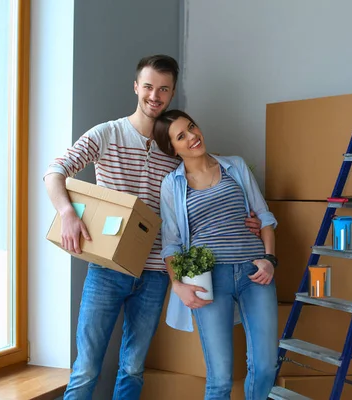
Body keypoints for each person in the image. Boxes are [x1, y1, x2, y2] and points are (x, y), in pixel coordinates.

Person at [43, 56, 261, 400]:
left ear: (172, 93)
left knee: (132, 367)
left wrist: (246, 221)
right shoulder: (107, 133)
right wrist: (67, 213)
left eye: (163, 89)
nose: (154, 96)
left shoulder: (173, 150)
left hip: (156, 272)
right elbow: (55, 171)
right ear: (136, 87)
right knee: (86, 367)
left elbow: (207, 192)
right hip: (106, 268)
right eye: (148, 87)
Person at [154, 109, 279, 400]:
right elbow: (171, 243)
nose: (193, 136)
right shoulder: (172, 185)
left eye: (192, 127)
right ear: (172, 148)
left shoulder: (234, 166)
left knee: (264, 367)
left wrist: (270, 259)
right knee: (220, 378)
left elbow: (265, 217)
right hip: (208, 280)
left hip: (255, 273)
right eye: (181, 136)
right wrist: (178, 284)